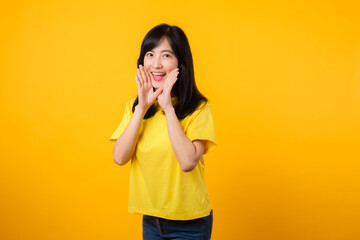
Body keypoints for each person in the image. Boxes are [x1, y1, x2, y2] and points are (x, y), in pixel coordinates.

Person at [109, 23, 217, 240]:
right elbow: (119, 157)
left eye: (166, 55)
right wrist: (142, 107)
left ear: (181, 63)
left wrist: (168, 108)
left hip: (191, 223)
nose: (156, 64)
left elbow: (187, 162)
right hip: (151, 220)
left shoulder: (198, 108)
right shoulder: (135, 108)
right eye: (150, 54)